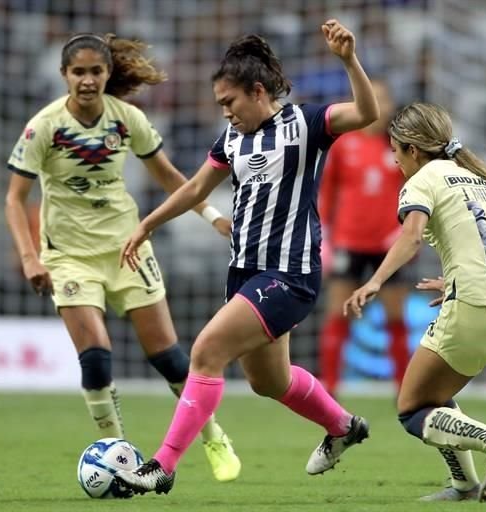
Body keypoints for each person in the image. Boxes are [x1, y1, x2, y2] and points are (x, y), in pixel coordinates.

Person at [115, 19, 378, 495]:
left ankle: (162, 467)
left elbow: (366, 112)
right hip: (246, 272)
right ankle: (344, 427)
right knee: (269, 381)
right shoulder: (231, 140)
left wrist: (347, 60)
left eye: (229, 103)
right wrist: (148, 223)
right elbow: (196, 188)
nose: (226, 114)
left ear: (258, 91)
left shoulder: (307, 123)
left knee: (205, 352)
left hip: (289, 273)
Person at [4, 32, 241, 484]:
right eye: (79, 72)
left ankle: (213, 436)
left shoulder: (127, 119)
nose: (88, 80)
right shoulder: (44, 127)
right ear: (64, 76)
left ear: (108, 74)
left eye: (96, 71)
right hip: (70, 257)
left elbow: (172, 176)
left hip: (127, 248)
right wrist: (30, 256)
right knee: (96, 359)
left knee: (170, 359)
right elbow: (15, 199)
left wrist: (212, 215)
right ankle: (122, 457)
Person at [343, 102, 486, 502]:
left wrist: (375, 281)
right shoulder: (478, 178)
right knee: (435, 395)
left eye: (395, 150)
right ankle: (465, 485)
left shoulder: (423, 179)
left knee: (411, 408)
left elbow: (411, 237)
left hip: (475, 308)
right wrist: (459, 279)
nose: (394, 161)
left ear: (412, 149)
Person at [318, 78, 410, 395]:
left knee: (396, 317)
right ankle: (329, 389)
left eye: (384, 99)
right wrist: (325, 238)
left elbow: (414, 193)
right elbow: (327, 192)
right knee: (338, 311)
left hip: (389, 244)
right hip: (348, 241)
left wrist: (406, 229)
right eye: (373, 99)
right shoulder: (344, 144)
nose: (379, 106)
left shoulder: (400, 148)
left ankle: (404, 391)